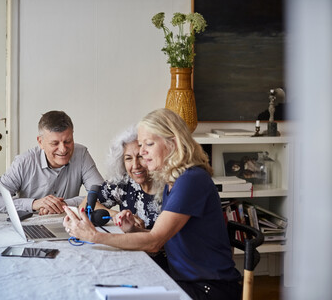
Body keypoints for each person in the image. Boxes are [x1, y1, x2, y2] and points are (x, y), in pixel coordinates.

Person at [63, 108, 241, 300]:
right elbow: (165, 241)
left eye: (148, 144)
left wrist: (93, 236)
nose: (142, 152)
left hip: (209, 289)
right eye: (141, 145)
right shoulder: (173, 181)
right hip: (182, 281)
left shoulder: (191, 180)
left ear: (172, 143)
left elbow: (155, 242)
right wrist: (133, 231)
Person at [0, 110, 103, 215]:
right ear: (40, 142)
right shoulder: (23, 162)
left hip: (69, 226)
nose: (63, 149)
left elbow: (104, 195)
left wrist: (63, 204)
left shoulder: (81, 154)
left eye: (68, 141)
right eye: (55, 143)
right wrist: (34, 204)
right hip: (29, 228)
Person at [80, 125, 161, 229]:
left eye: (140, 157)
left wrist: (138, 231)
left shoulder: (169, 187)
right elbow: (85, 205)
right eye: (128, 158)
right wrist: (116, 215)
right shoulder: (124, 182)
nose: (135, 165)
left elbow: (164, 239)